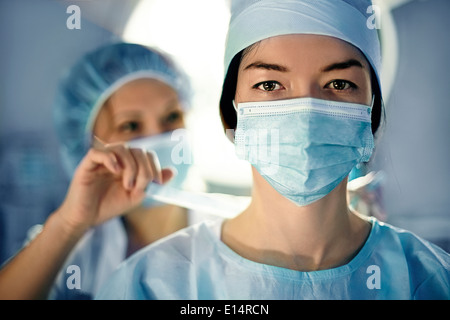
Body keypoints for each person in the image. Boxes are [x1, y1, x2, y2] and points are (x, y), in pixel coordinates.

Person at [94, 0, 450, 300]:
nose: (306, 110)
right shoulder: (154, 285)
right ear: (231, 110)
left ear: (371, 109)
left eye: (338, 83)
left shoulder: (428, 278)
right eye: (270, 84)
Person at [0, 42, 201, 299]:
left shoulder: (228, 229)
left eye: (172, 117)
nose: (158, 136)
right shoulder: (74, 250)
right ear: (88, 147)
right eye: (130, 125)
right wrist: (68, 224)